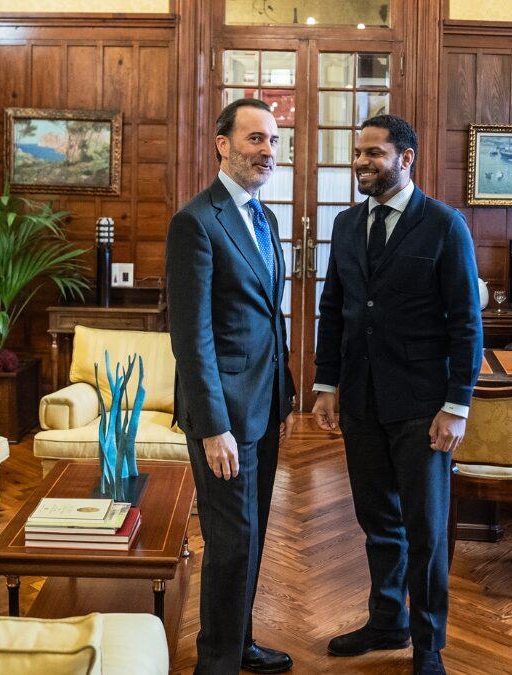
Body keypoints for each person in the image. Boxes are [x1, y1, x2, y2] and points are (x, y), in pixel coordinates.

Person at [312, 114, 483, 675]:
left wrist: (457, 405)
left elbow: (466, 323)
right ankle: (387, 621)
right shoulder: (344, 224)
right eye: (358, 152)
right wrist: (326, 385)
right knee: (376, 521)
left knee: (425, 530)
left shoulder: (443, 225)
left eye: (373, 153)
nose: (361, 162)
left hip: (423, 407)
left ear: (406, 158)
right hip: (361, 402)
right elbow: (333, 311)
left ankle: (428, 643)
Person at [165, 98, 296, 675]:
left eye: (273, 140)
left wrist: (284, 394)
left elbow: (268, 316)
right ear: (222, 144)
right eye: (254, 139)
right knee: (229, 540)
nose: (268, 151)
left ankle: (238, 644)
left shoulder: (263, 217)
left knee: (252, 534)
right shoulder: (196, 222)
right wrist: (214, 424)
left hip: (264, 407)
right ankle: (214, 662)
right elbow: (190, 338)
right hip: (223, 416)